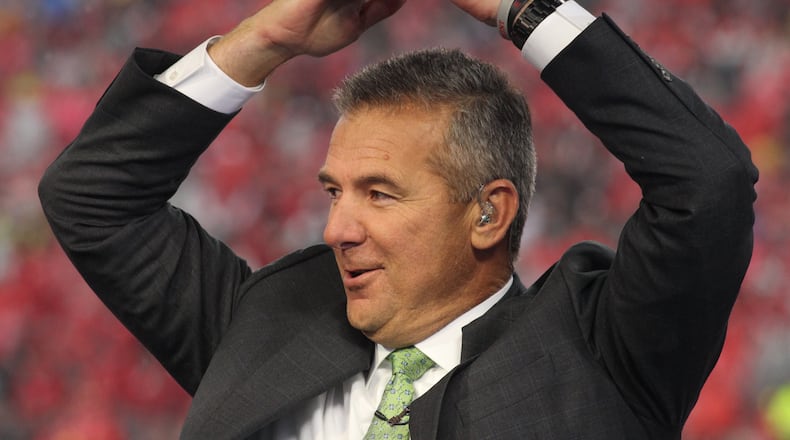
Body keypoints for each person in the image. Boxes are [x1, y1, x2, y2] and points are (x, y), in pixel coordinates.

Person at [38, 0, 758, 438]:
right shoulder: (267, 328)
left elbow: (709, 181)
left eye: (379, 194)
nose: (337, 229)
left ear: (488, 213)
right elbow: (92, 198)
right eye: (335, 192)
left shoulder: (603, 357)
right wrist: (264, 41)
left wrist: (525, 11)